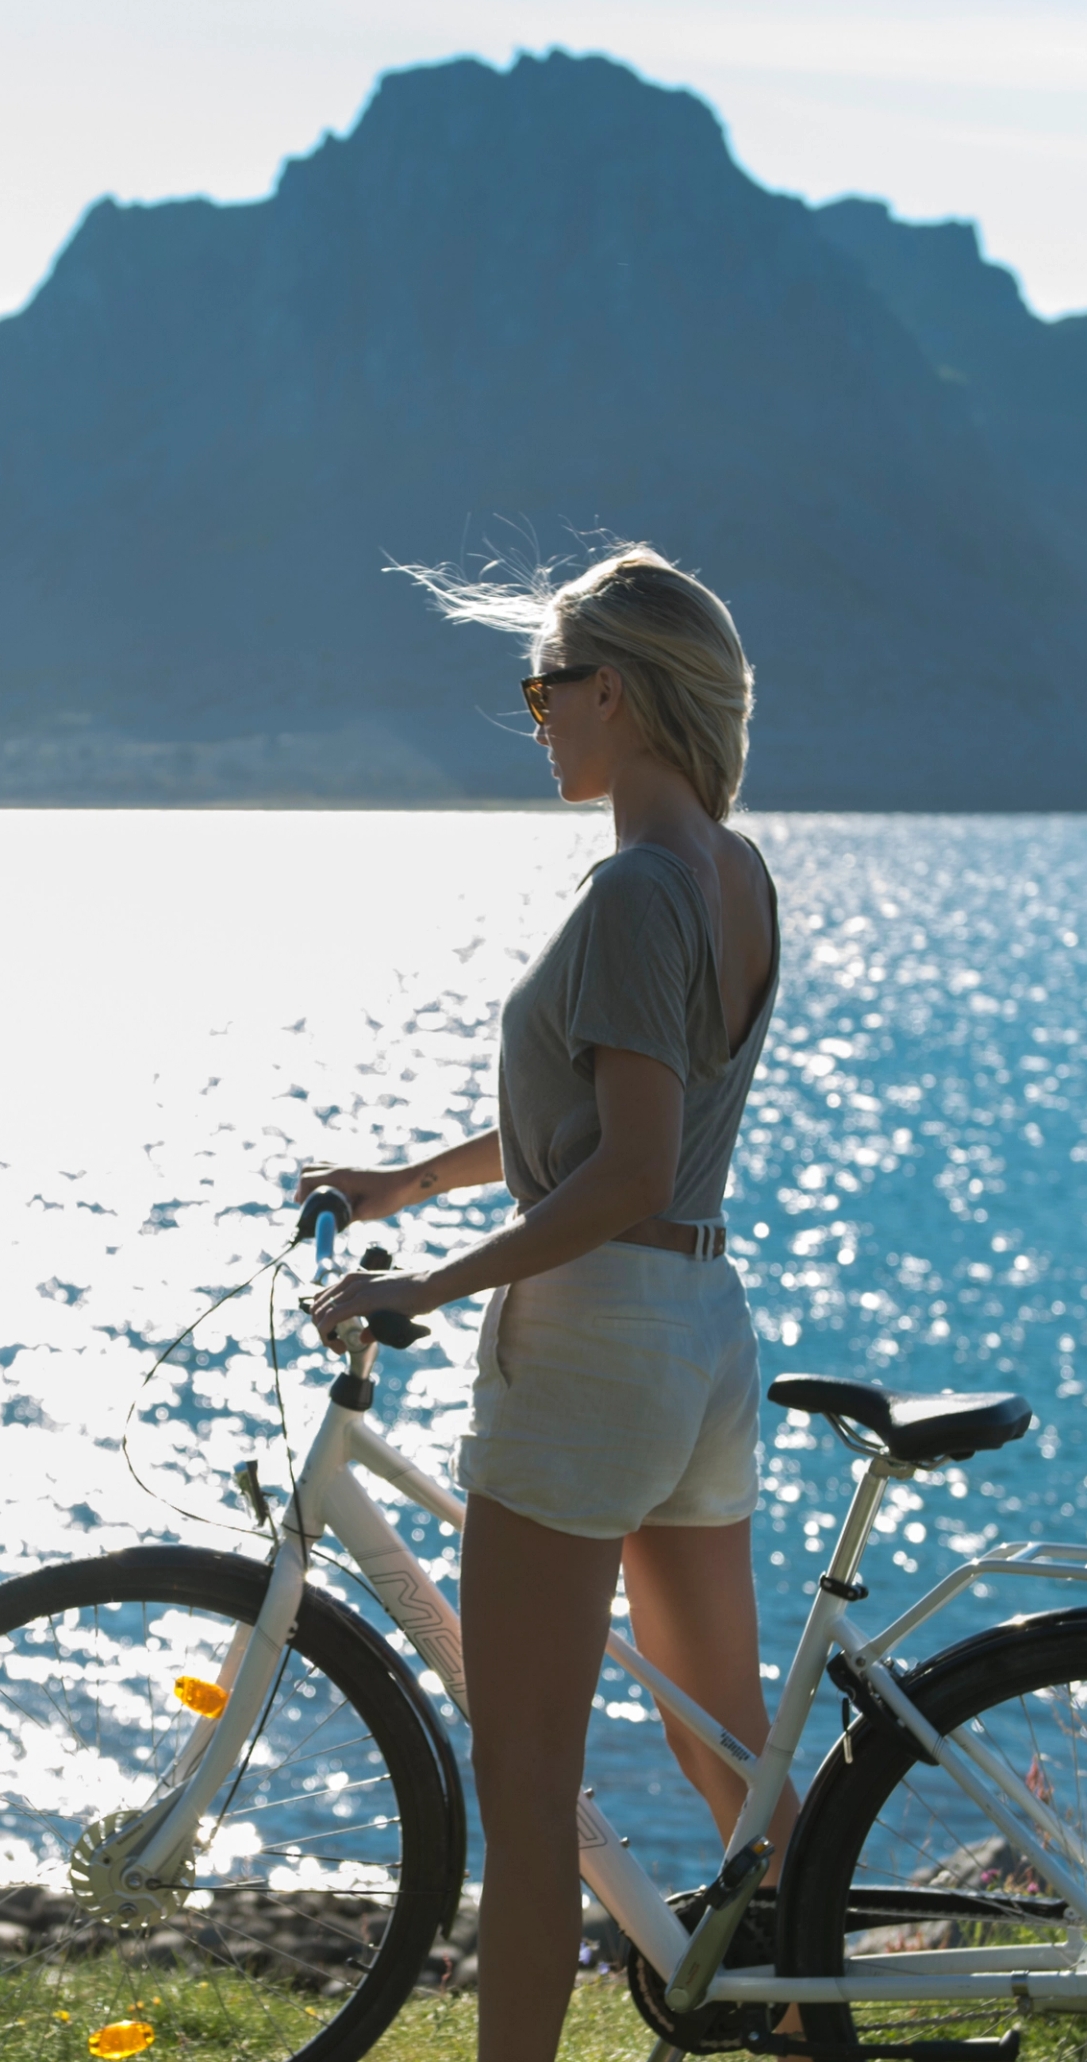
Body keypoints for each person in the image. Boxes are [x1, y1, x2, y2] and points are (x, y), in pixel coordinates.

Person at [297, 545, 786, 2062]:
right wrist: (403, 1186)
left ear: (616, 693)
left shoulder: (640, 888)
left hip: (591, 1357)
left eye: (545, 688)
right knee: (734, 1760)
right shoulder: (733, 869)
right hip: (702, 1340)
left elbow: (622, 1168)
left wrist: (431, 1282)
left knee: (524, 1791)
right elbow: (601, 1120)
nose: (534, 719)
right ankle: (807, 2012)